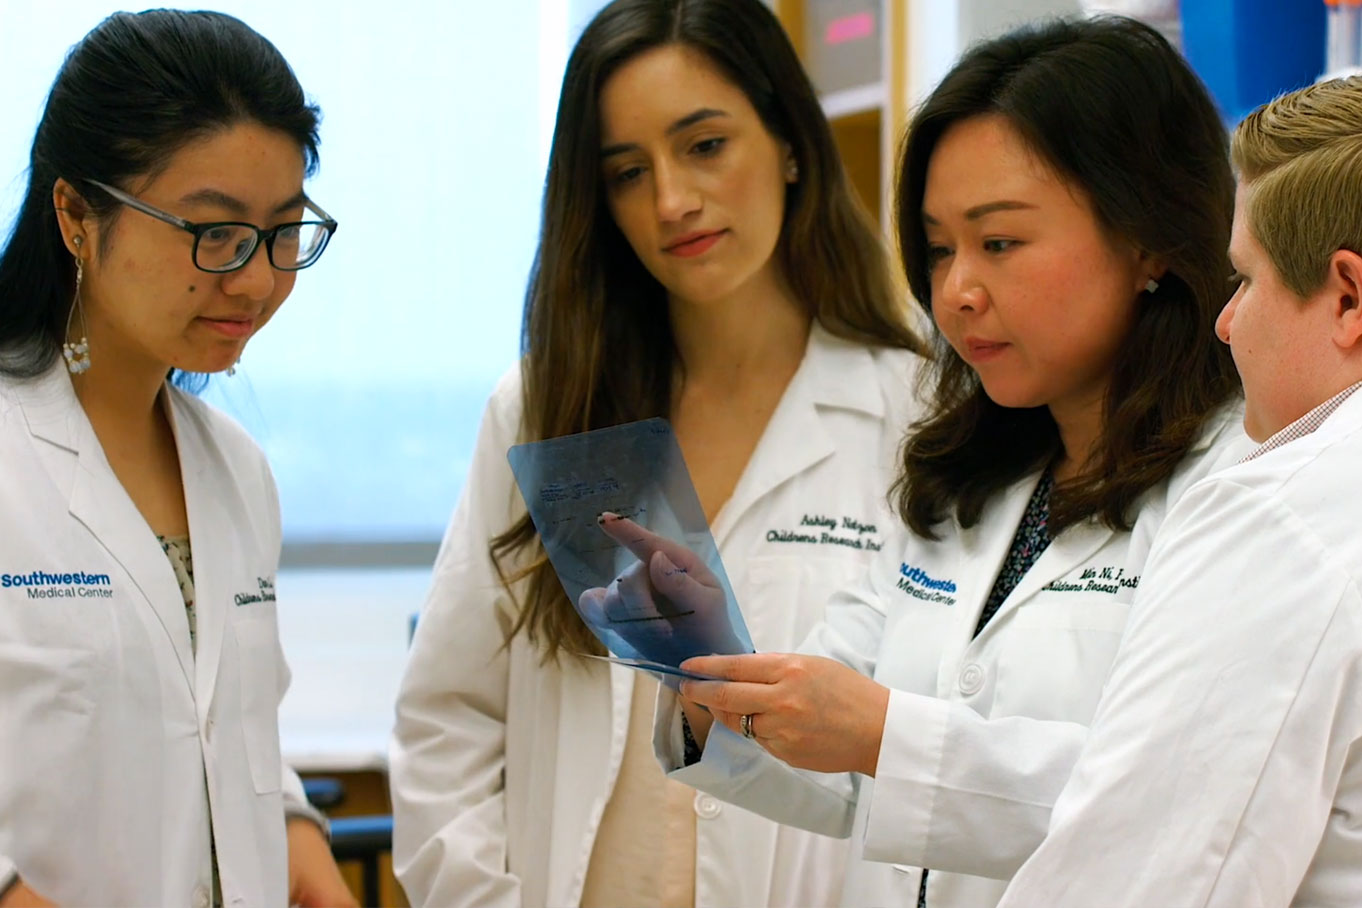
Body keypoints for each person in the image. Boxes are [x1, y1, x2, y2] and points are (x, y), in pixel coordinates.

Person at [631, 16, 1249, 908]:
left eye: (999, 242)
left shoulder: (1236, 485)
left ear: (1148, 239)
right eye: (939, 247)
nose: (955, 290)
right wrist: (710, 681)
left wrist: (890, 737)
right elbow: (843, 767)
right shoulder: (968, 482)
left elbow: (1179, 805)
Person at [387, 0, 927, 905]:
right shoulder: (545, 409)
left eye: (705, 145)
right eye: (628, 171)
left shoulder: (914, 413)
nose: (672, 200)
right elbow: (448, 716)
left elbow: (926, 740)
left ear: (791, 142)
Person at [0, 11, 353, 908]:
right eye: (215, 233)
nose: (256, 280)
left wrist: (306, 859)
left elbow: (234, 741)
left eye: (282, 232)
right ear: (77, 214)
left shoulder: (234, 470)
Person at [995, 75, 1362, 908]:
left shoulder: (1286, 518)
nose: (1227, 322)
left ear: (1347, 297)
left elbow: (1140, 885)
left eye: (1248, 281)